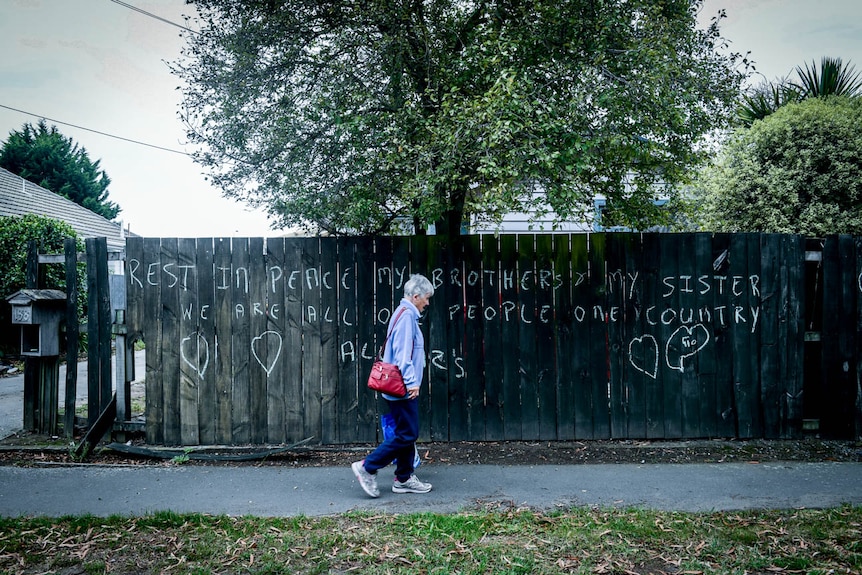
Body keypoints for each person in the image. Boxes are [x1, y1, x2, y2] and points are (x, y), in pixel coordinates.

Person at [352, 273, 434, 498]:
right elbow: (402, 355)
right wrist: (412, 382)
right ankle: (367, 467)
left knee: (405, 432)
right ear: (416, 296)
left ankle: (404, 478)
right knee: (408, 434)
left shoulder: (403, 313)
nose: (427, 302)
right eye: (426, 298)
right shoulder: (407, 316)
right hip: (403, 387)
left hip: (397, 386)